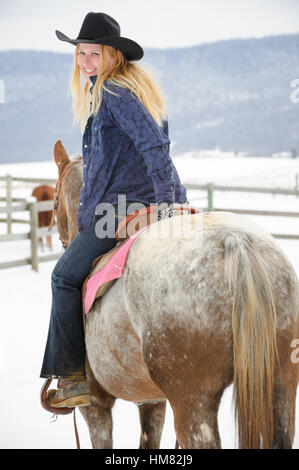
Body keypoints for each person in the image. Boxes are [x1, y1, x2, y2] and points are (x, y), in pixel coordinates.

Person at [40, 12, 187, 409]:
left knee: (63, 276)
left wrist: (167, 205)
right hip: (139, 201)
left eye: (94, 53)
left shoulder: (115, 92)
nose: (86, 61)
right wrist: (171, 198)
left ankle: (71, 378)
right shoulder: (129, 89)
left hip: (121, 210)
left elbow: (155, 147)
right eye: (80, 53)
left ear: (113, 56)